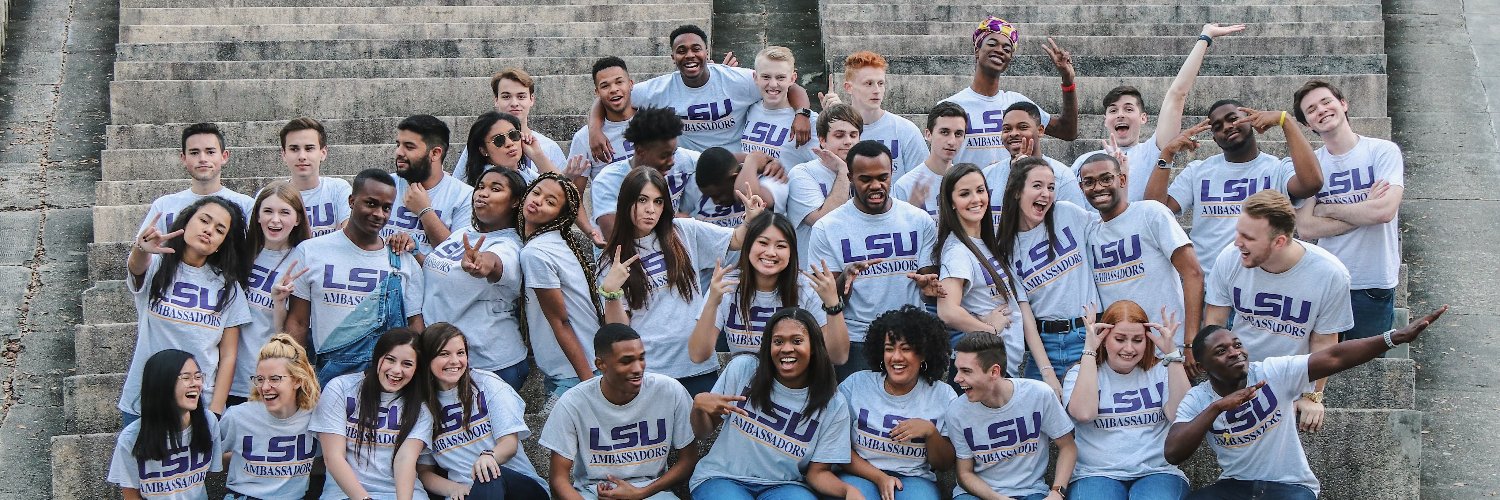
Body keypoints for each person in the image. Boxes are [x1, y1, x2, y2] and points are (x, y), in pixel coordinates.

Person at [1165, 306, 1448, 499]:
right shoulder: (1199, 399)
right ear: (1202, 367)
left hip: (1290, 487)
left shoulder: (1272, 372)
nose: (1235, 353)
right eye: (1221, 351)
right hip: (1236, 487)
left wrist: (1393, 337)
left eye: (1237, 345)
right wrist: (1217, 407)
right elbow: (1173, 453)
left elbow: (1334, 357)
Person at [1204, 190, 1353, 433]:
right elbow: (1214, 324)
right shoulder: (1230, 259)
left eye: (1248, 237)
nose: (1237, 242)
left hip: (1291, 383)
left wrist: (1312, 396)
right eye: (1238, 232)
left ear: (1279, 241)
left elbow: (1324, 341)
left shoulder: (1330, 274)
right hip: (1238, 377)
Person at [599, 167, 757, 395]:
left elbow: (734, 240)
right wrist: (611, 292)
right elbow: (620, 332)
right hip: (650, 371)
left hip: (696, 364)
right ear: (626, 201)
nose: (650, 210)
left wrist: (750, 220)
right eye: (642, 200)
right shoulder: (611, 260)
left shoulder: (683, 231)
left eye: (658, 201)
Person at [689, 307, 858, 499]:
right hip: (723, 478)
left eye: (797, 341)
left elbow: (817, 472)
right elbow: (702, 432)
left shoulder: (833, 403)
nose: (786, 349)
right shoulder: (744, 369)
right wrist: (698, 407)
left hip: (785, 485)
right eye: (778, 341)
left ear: (813, 348)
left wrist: (847, 490)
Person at [806, 140, 940, 379]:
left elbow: (926, 283)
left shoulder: (919, 220)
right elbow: (826, 300)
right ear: (850, 177)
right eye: (865, 179)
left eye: (883, 177)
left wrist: (927, 287)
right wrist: (845, 278)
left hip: (910, 336)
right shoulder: (827, 227)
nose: (876, 185)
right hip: (858, 339)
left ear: (892, 174)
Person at [1068, 24, 1246, 202]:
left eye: (1129, 109)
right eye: (1113, 110)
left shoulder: (1153, 151)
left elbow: (1177, 94)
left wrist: (1205, 37)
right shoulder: (1084, 161)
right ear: (1105, 120)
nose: (1120, 114)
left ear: (1143, 118)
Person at [1144, 99, 1324, 273]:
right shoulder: (1197, 171)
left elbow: (1312, 183)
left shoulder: (1277, 168)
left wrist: (1286, 121)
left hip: (1259, 282)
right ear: (1214, 139)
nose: (1227, 127)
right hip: (1208, 282)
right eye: (1217, 127)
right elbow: (1155, 210)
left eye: (1233, 118)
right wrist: (1167, 153)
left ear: (1252, 121)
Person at [1290, 79, 1406, 342]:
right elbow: (1306, 228)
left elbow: (1384, 212)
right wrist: (1365, 208)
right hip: (1328, 279)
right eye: (1311, 110)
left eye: (1326, 101)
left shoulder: (1382, 151)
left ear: (1343, 104)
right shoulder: (1311, 165)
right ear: (1307, 124)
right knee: (1325, 372)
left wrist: (1327, 208)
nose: (1321, 110)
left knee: (1367, 371)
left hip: (1374, 282)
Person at [588, 24, 812, 156]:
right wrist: (595, 130)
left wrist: (802, 114)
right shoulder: (659, 89)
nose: (689, 55)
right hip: (692, 168)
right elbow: (613, 95)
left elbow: (790, 87)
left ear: (706, 52)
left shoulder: (736, 80)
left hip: (737, 162)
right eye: (681, 50)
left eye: (696, 49)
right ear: (673, 57)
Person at [123, 197, 251, 422]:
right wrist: (141, 249)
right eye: (204, 220)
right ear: (187, 221)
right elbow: (136, 267)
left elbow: (229, 355)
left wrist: (215, 411)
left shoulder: (228, 288)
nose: (209, 230)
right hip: (145, 400)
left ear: (221, 243)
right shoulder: (156, 267)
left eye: (219, 230)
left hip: (198, 408)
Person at [540, 323, 700, 500]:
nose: (638, 368)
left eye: (641, 358)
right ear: (601, 364)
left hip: (652, 491)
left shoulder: (670, 391)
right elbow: (558, 478)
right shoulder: (573, 402)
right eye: (626, 361)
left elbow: (689, 459)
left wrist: (641, 493)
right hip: (592, 493)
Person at [1079, 153, 1204, 370]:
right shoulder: (1090, 233)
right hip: (1122, 356)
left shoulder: (1151, 213)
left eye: (1106, 178)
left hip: (1168, 349)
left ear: (1123, 180)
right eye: (1089, 182)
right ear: (1081, 189)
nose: (1098, 187)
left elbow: (1193, 273)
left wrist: (1190, 341)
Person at [285, 169, 425, 356]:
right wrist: (296, 373)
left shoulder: (403, 258)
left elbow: (414, 323)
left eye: (386, 207)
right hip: (328, 374)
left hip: (385, 378)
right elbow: (298, 322)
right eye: (371, 203)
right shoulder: (311, 251)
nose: (379, 214)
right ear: (351, 201)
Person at [1063, 301, 1190, 499]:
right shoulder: (1080, 373)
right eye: (1120, 339)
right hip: (1096, 473)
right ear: (1104, 338)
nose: (1129, 348)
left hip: (1157, 471)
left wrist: (1172, 355)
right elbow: (1084, 414)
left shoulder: (1161, 371)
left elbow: (1180, 416)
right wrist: (1089, 350)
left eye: (1137, 340)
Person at [420, 167, 531, 390]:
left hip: (490, 365)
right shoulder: (465, 233)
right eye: (480, 187)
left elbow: (495, 263)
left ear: (515, 201)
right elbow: (440, 271)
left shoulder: (510, 246)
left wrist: (480, 264)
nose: (482, 193)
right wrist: (412, 251)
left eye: (495, 189)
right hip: (447, 359)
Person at [996, 157, 1098, 394]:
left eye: (1051, 187)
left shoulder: (1067, 213)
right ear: (1016, 192)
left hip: (1086, 335)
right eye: (1037, 186)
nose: (1046, 194)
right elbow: (1026, 315)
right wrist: (1047, 372)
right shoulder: (1005, 248)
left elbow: (1110, 229)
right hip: (1045, 345)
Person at [689, 211, 847, 363]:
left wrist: (833, 303)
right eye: (763, 243)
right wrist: (712, 302)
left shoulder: (806, 287)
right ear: (748, 245)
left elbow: (838, 357)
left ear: (791, 252)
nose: (771, 252)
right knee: (742, 364)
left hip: (793, 376)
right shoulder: (726, 285)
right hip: (744, 380)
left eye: (781, 246)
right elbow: (698, 356)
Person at [838, 306, 958, 500]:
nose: (896, 357)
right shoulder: (856, 384)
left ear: (924, 354)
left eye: (906, 349)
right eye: (889, 349)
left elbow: (945, 464)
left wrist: (930, 432)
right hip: (861, 473)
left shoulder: (943, 395)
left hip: (914, 478)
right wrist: (879, 477)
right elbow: (837, 448)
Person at [415, 324, 547, 500]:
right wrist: (452, 488)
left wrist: (489, 457)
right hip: (470, 494)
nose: (455, 361)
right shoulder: (422, 407)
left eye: (460, 353)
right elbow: (424, 471)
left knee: (488, 474)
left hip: (520, 489)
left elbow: (509, 444)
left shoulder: (487, 385)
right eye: (444, 354)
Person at [945, 332, 1076, 500]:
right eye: (957, 370)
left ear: (994, 371)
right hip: (978, 494)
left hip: (1030, 491)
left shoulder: (1038, 394)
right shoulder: (956, 412)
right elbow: (964, 473)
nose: (956, 378)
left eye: (966, 371)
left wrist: (1057, 492)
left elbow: (1068, 447)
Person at [311, 328, 434, 500]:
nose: (397, 370)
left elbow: (404, 461)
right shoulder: (340, 389)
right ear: (377, 358)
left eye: (407, 364)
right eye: (390, 359)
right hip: (345, 494)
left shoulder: (420, 409)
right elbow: (333, 458)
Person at [933, 163, 1028, 376]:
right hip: (983, 371)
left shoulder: (983, 243)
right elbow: (947, 311)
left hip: (998, 368)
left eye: (980, 190)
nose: (976, 199)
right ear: (952, 203)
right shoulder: (958, 250)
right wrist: (991, 331)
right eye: (965, 194)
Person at [946, 16, 1077, 169]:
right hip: (971, 190)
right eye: (992, 44)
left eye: (1007, 49)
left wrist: (1068, 80)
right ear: (977, 50)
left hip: (1012, 189)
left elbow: (1068, 132)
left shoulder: (1017, 103)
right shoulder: (952, 105)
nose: (1000, 50)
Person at [519, 173, 604, 406]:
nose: (538, 201)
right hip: (579, 368)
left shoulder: (536, 253)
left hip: (574, 374)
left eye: (550, 202)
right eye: (536, 193)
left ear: (561, 215)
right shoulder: (555, 242)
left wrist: (587, 385)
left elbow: (561, 321)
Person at [231, 182, 311, 406]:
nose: (275, 220)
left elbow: (285, 334)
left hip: (270, 379)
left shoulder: (302, 259)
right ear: (257, 216)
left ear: (297, 219)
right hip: (230, 375)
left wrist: (278, 303)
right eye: (268, 211)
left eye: (284, 212)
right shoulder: (241, 254)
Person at [108, 350, 222, 498]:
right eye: (186, 377)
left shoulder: (208, 421)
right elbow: (131, 495)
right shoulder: (131, 438)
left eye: (198, 376)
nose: (196, 384)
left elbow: (217, 467)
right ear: (162, 383)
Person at [219, 334, 322, 499]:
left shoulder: (315, 417)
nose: (265, 387)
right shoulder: (238, 416)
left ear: (297, 381)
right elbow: (208, 459)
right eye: (260, 379)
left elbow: (326, 461)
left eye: (275, 379)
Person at [591, 107, 704, 241]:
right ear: (640, 151)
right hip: (622, 256)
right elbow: (614, 236)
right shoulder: (608, 181)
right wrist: (672, 222)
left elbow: (722, 162)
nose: (672, 162)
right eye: (664, 156)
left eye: (673, 153)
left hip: (664, 246)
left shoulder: (683, 160)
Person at [138, 122, 255, 234]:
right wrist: (142, 247)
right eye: (194, 153)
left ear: (224, 156)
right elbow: (142, 249)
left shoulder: (245, 205)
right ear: (183, 158)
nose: (202, 158)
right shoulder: (164, 205)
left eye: (210, 152)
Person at [785, 104, 864, 262]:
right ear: (822, 140)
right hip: (812, 274)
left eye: (853, 135)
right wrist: (843, 172)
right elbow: (823, 221)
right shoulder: (802, 173)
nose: (848, 141)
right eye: (839, 135)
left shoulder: (865, 173)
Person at [386, 114, 474, 256]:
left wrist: (425, 212)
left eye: (409, 147)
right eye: (398, 145)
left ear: (435, 153)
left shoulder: (464, 196)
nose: (398, 152)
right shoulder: (384, 185)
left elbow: (459, 256)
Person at [455, 68, 569, 173]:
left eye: (521, 96)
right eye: (506, 97)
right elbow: (459, 186)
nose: (514, 103)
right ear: (496, 100)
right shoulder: (480, 145)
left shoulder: (549, 147)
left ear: (532, 100)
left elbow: (562, 190)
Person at [981, 102, 1086, 212]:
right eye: (1007, 129)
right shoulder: (988, 175)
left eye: (1022, 127)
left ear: (1040, 130)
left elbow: (1074, 223)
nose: (1013, 133)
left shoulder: (1062, 175)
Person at [842, 51, 929, 180]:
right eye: (869, 83)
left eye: (881, 83)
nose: (877, 90)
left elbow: (923, 181)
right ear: (849, 88)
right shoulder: (838, 134)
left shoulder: (906, 130)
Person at [740, 46, 819, 168]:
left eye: (780, 77)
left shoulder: (810, 121)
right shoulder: (747, 109)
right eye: (766, 77)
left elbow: (825, 166)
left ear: (792, 79)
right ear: (755, 78)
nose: (772, 84)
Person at [278, 117, 352, 236]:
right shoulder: (272, 195)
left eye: (309, 148)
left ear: (323, 153)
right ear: (284, 154)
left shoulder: (338, 189)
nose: (302, 156)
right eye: (294, 149)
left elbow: (349, 235)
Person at [893, 102, 968, 217]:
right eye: (944, 132)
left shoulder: (968, 182)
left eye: (958, 134)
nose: (952, 141)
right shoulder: (905, 186)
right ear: (928, 134)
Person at [455, 111, 565, 188]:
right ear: (484, 150)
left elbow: (565, 194)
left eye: (514, 135)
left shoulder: (523, 172)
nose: (509, 143)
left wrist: (537, 155)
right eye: (498, 140)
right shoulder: (489, 183)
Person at [570, 56, 638, 169]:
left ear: (631, 84)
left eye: (619, 82)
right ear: (597, 92)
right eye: (605, 86)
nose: (613, 89)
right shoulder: (583, 138)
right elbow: (576, 186)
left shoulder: (653, 121)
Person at [690, 147, 786, 227]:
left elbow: (748, 197)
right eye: (709, 197)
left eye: (718, 195)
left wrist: (752, 160)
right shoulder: (707, 182)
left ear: (734, 177)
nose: (715, 202)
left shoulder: (768, 178)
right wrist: (749, 157)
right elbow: (726, 159)